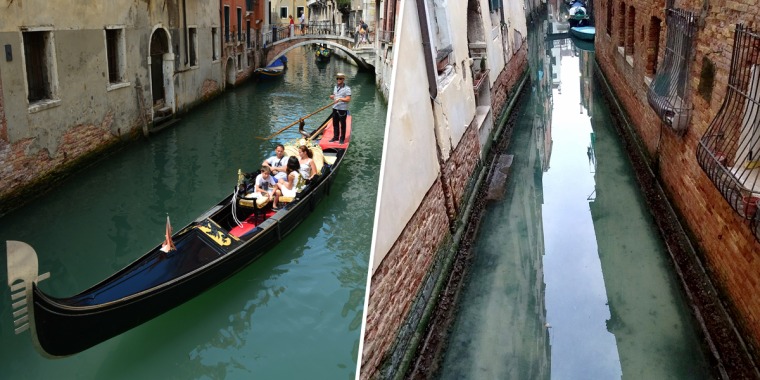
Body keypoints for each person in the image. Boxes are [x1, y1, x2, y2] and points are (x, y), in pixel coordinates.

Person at [329, 73, 351, 144]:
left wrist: (340, 99)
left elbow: (348, 99)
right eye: (337, 78)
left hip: (342, 109)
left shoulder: (347, 88)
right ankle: (335, 137)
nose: (338, 80)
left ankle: (342, 139)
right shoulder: (335, 87)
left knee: (343, 124)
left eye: (340, 78)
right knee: (335, 124)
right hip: (335, 108)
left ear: (343, 79)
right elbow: (336, 96)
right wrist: (333, 96)